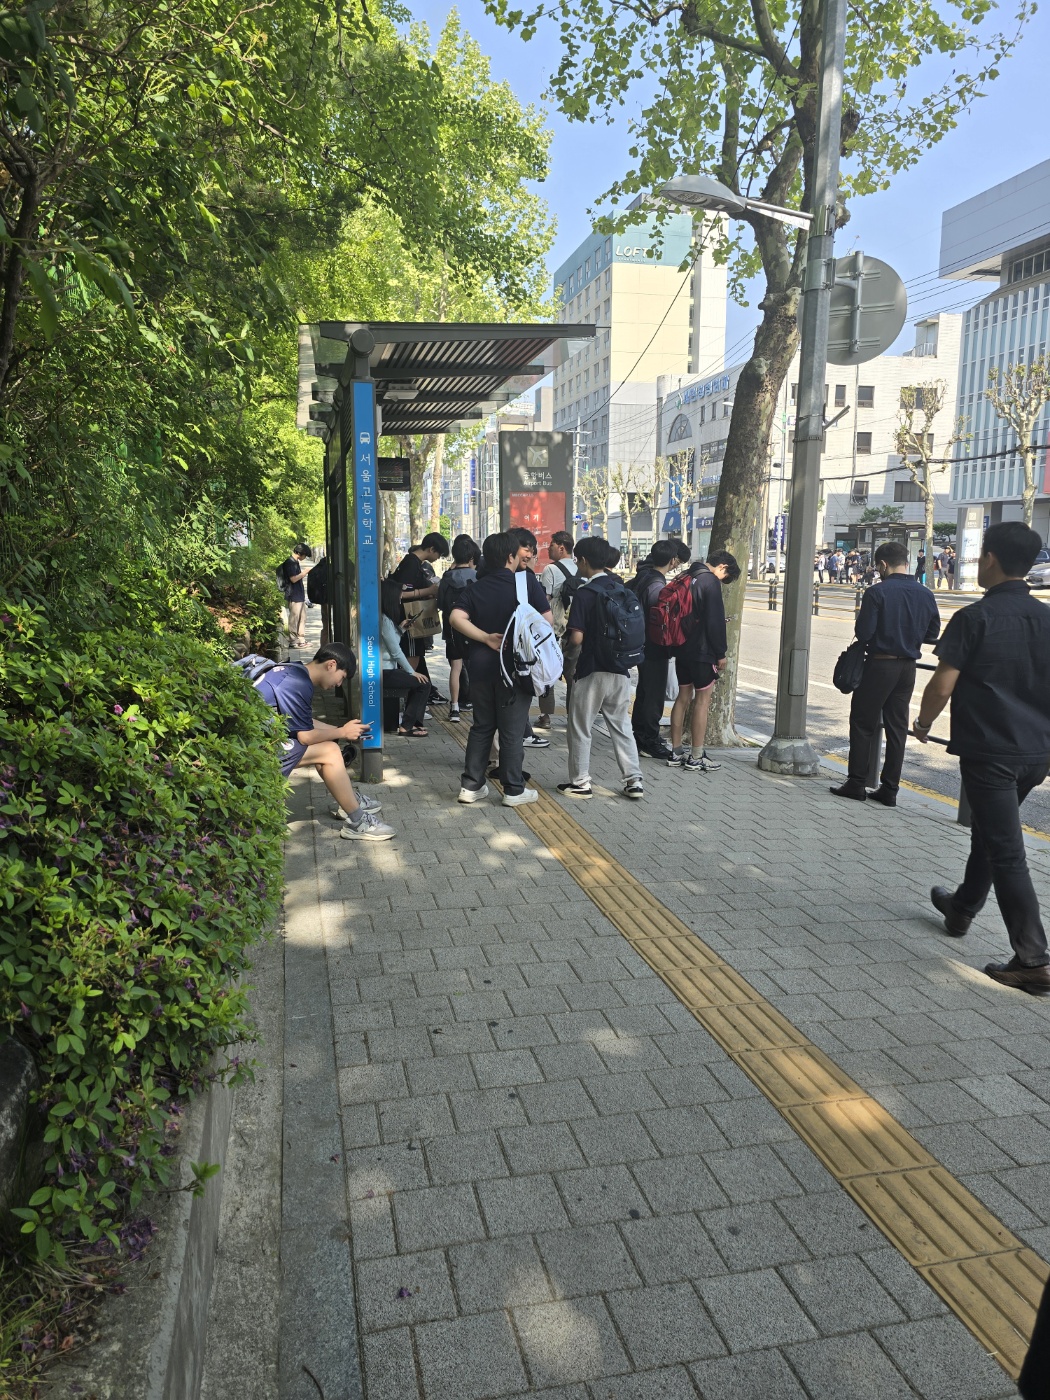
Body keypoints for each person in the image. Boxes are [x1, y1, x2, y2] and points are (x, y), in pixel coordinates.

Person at [913, 522, 1050, 995]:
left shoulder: (975, 617)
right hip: (1037, 752)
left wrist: (923, 722)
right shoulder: (1047, 618)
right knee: (992, 832)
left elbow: (942, 684)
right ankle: (962, 907)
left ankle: (1033, 959)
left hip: (991, 750)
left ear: (989, 558)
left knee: (1007, 850)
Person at [830, 541, 940, 806]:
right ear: (907, 561)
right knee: (897, 728)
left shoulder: (876, 592)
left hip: (879, 665)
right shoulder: (925, 593)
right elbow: (932, 633)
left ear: (882, 564)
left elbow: (864, 633)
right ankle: (889, 789)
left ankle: (857, 783)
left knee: (862, 723)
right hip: (908, 668)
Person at [450, 531, 552, 808]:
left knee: (482, 726)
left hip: (480, 668)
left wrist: (485, 638)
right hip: (515, 671)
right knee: (512, 731)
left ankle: (471, 786)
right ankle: (514, 789)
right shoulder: (526, 583)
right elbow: (547, 622)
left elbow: (456, 617)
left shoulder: (476, 586)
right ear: (510, 556)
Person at [254, 642, 395, 841]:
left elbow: (302, 721)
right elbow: (305, 736)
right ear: (331, 665)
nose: (339, 684)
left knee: (329, 747)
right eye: (342, 677)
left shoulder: (294, 670)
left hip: (256, 743)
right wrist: (342, 732)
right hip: (253, 752)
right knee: (329, 752)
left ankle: (349, 801)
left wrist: (339, 731)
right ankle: (357, 821)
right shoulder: (298, 683)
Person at [558, 538, 644, 800]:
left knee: (581, 726)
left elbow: (577, 638)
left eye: (577, 560)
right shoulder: (621, 588)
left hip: (592, 669)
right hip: (621, 669)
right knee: (621, 725)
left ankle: (580, 782)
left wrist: (563, 651)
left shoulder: (585, 593)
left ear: (584, 560)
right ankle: (634, 780)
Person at [667, 550, 740, 772]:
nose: (722, 581)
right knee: (702, 701)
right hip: (702, 650)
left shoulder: (685, 576)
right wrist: (721, 653)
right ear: (722, 567)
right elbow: (714, 621)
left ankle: (676, 752)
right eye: (725, 577)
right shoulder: (710, 582)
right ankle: (696, 756)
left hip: (681, 647)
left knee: (682, 698)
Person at [631, 539, 689, 760]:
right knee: (653, 695)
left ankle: (639, 736)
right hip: (654, 645)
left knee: (645, 691)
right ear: (673, 561)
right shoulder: (657, 585)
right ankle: (649, 740)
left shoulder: (643, 575)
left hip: (642, 643)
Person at [392, 532, 449, 696]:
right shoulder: (411, 564)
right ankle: (406, 698)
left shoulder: (414, 563)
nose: (438, 558)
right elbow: (401, 593)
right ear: (431, 549)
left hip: (410, 618)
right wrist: (428, 591)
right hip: (409, 619)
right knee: (412, 657)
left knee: (415, 656)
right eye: (439, 554)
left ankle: (415, 697)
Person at [536, 531, 578, 730]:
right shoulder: (580, 569)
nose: (548, 548)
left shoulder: (550, 570)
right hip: (575, 631)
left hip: (553, 630)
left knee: (547, 674)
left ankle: (545, 717)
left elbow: (545, 601)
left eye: (551, 544)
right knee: (573, 676)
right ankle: (573, 718)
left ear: (561, 547)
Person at [379, 580, 431, 737]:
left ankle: (410, 724)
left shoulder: (384, 619)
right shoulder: (384, 620)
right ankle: (407, 726)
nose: (400, 598)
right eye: (399, 595)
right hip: (385, 671)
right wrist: (411, 672)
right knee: (423, 684)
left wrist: (401, 629)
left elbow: (391, 643)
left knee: (421, 683)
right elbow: (395, 652)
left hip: (385, 669)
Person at [437, 534, 479, 722]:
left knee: (455, 667)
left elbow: (440, 603)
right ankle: (477, 705)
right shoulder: (477, 577)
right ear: (471, 557)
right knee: (476, 666)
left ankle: (454, 708)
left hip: (452, 628)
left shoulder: (447, 578)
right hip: (473, 628)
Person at [281, 544, 311, 649]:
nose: (305, 557)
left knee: (302, 617)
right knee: (294, 618)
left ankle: (301, 639)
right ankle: (293, 641)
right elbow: (293, 579)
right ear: (300, 553)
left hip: (299, 594)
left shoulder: (295, 562)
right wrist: (305, 572)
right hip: (293, 594)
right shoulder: (290, 563)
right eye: (305, 555)